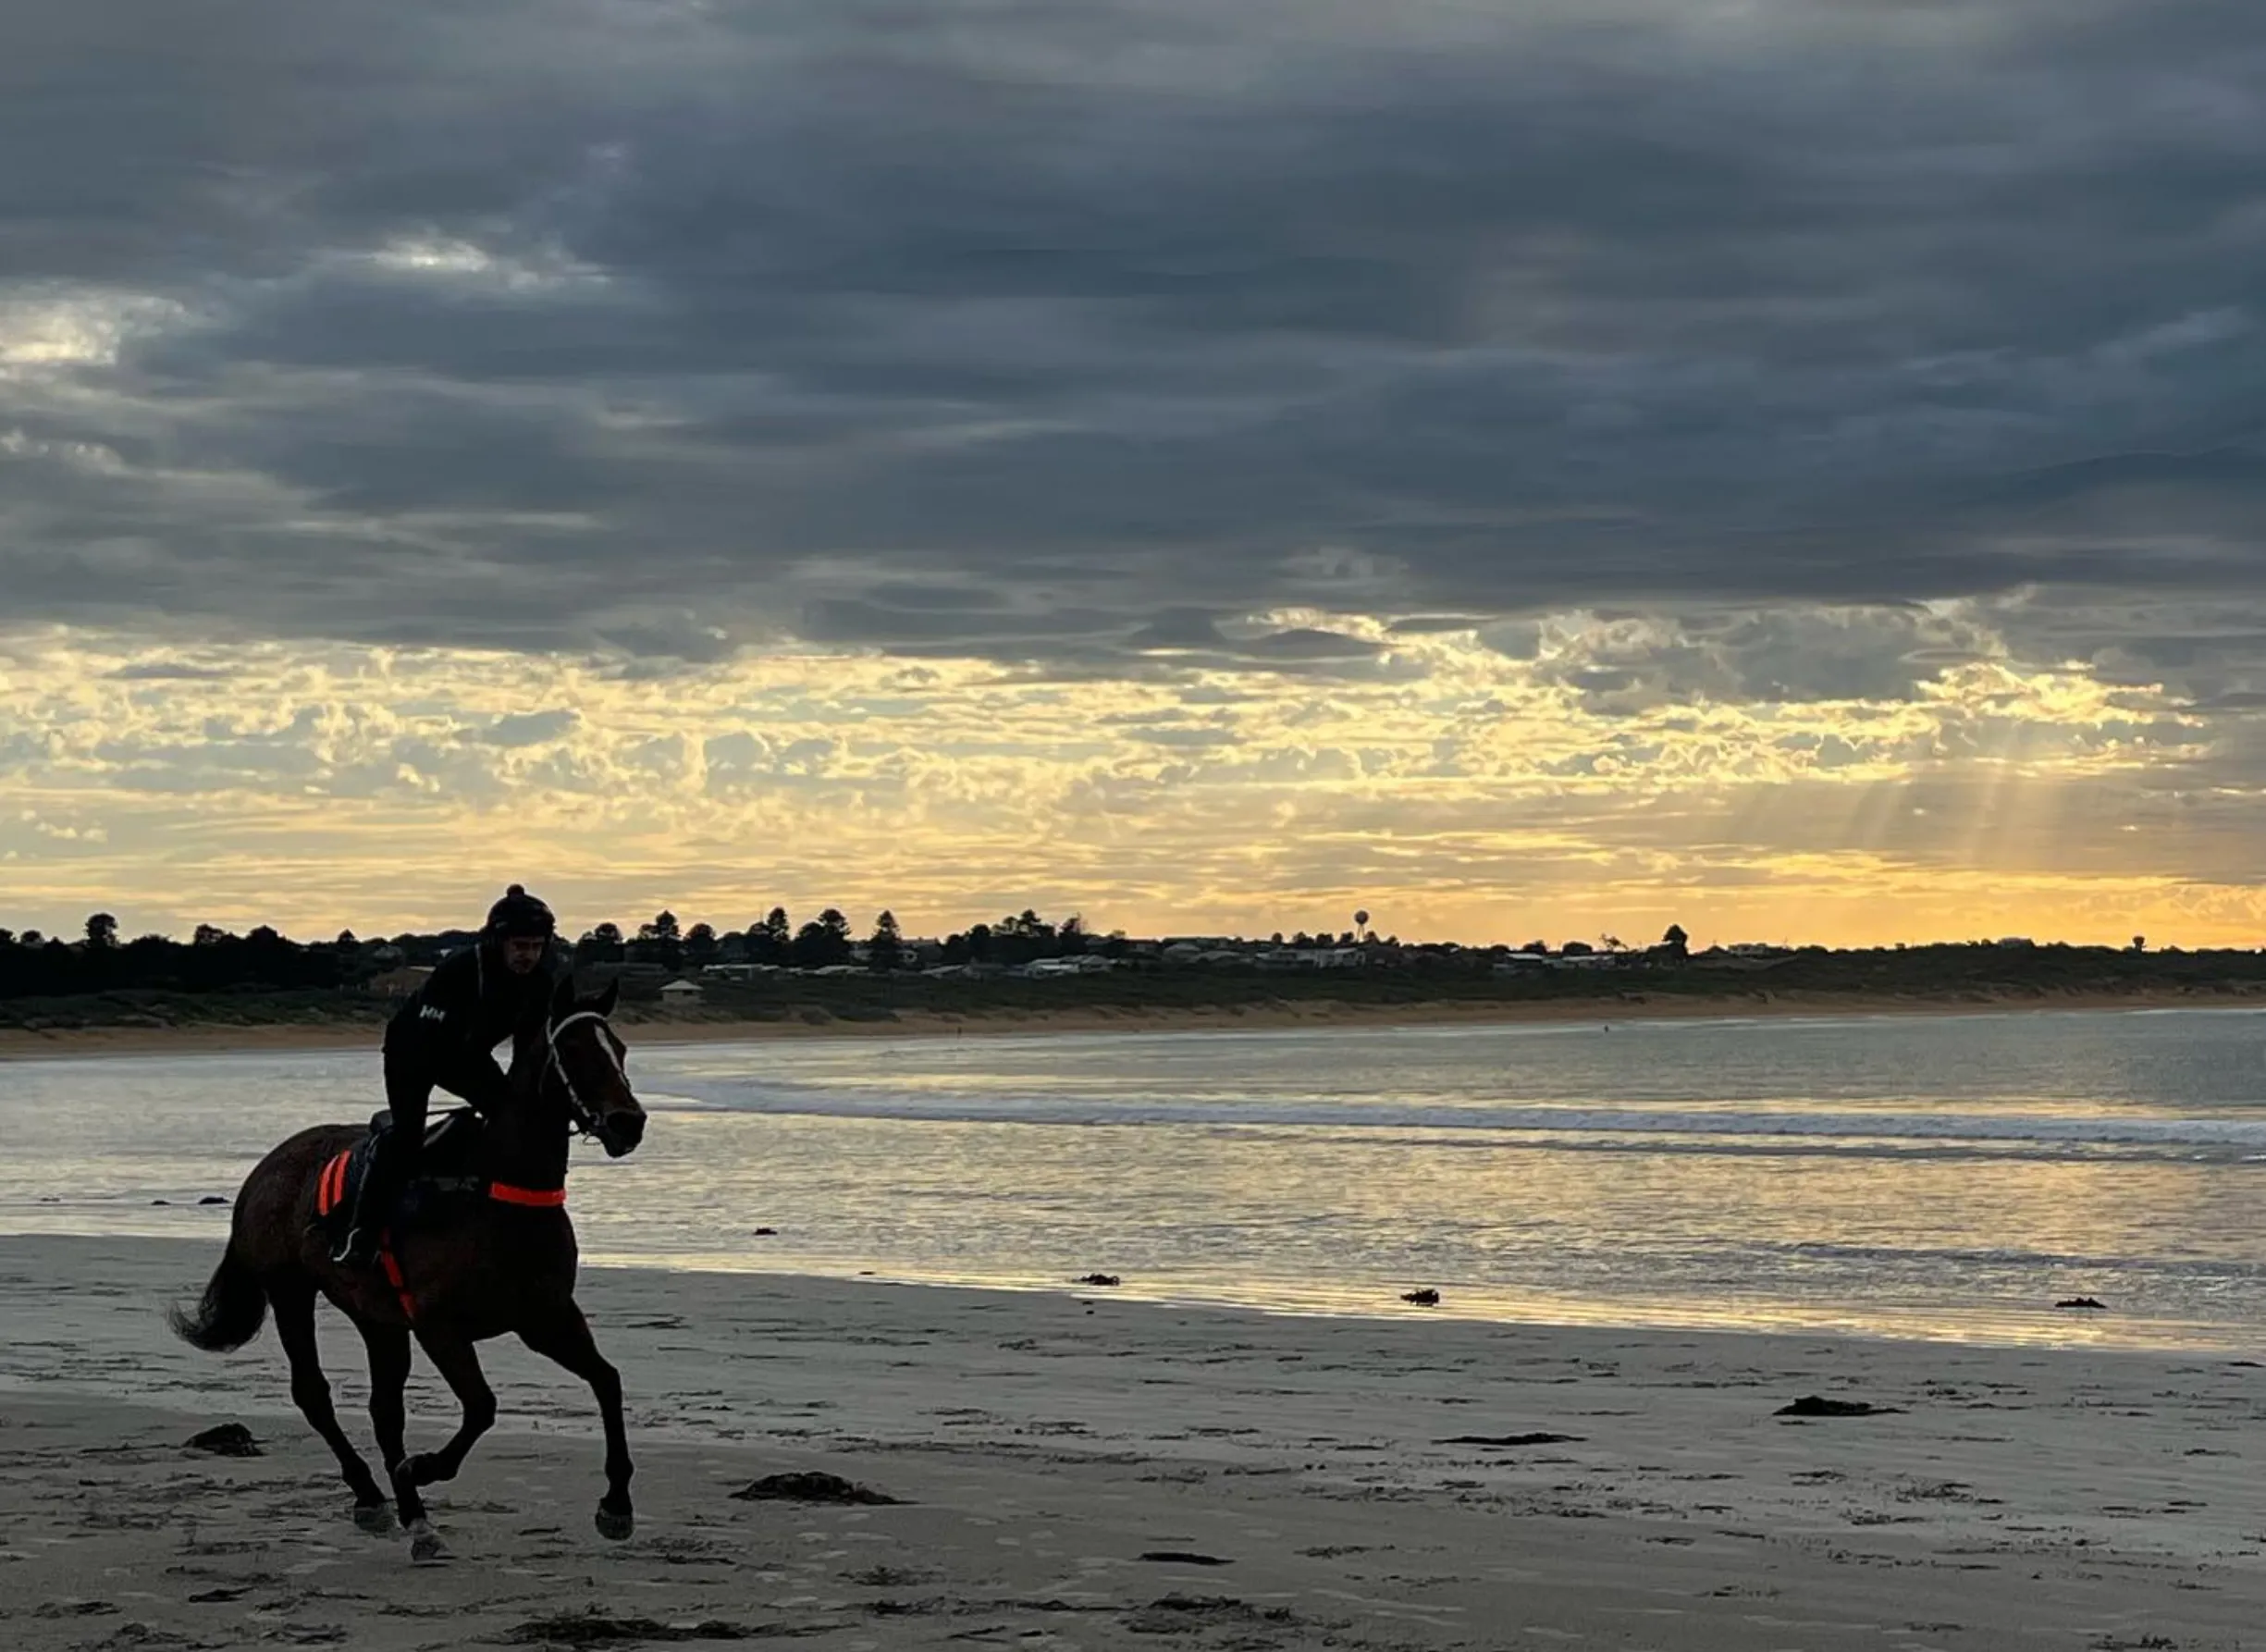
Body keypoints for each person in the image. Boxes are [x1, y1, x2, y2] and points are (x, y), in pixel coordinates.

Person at [332, 884, 563, 1269]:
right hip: (414, 1051)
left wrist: (519, 1097)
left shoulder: (540, 982)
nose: (529, 956)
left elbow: (525, 1052)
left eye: (537, 946)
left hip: (467, 1054)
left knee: (512, 1116)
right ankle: (361, 1233)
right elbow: (433, 1044)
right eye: (520, 946)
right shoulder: (460, 969)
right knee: (407, 1138)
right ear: (498, 942)